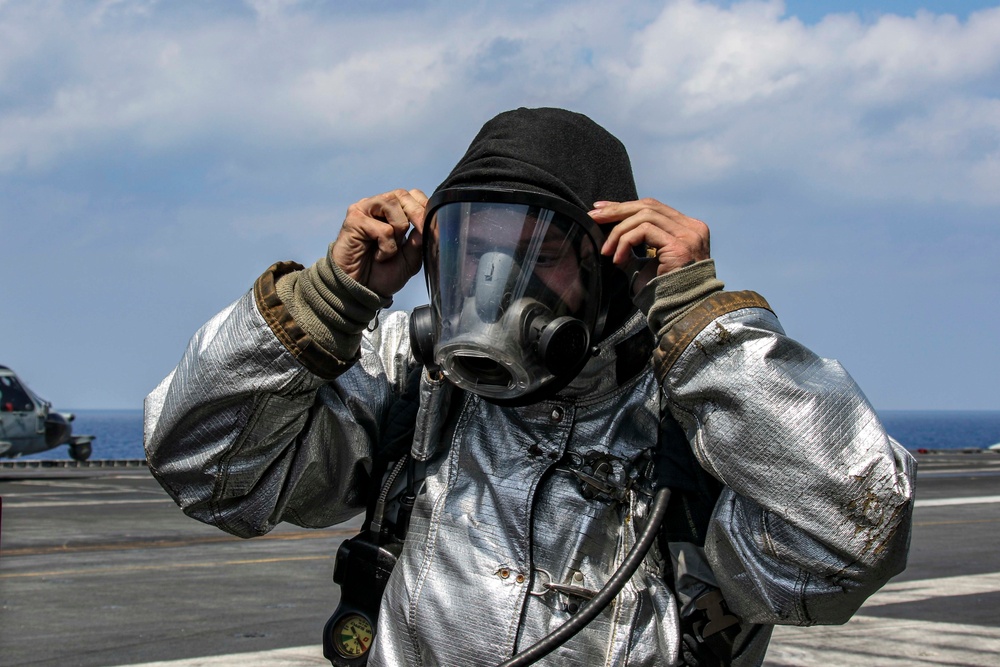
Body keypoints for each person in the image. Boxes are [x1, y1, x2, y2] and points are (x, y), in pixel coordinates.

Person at [144, 107, 915, 667]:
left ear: (613, 261)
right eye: (470, 249)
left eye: (533, 251)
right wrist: (327, 301)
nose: (491, 280)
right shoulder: (415, 374)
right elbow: (208, 470)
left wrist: (698, 320)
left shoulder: (703, 407)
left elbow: (847, 545)